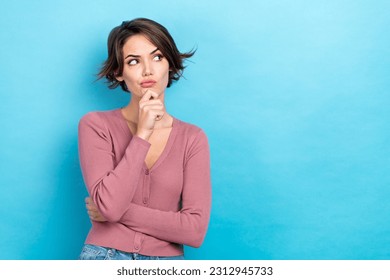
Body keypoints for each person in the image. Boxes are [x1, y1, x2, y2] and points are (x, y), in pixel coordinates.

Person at [77, 18, 211, 260]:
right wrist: (143, 134)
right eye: (134, 61)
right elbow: (110, 204)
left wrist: (117, 213)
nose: (148, 70)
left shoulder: (193, 138)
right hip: (103, 258)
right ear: (119, 73)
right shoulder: (96, 126)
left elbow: (195, 231)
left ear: (170, 65)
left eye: (157, 57)